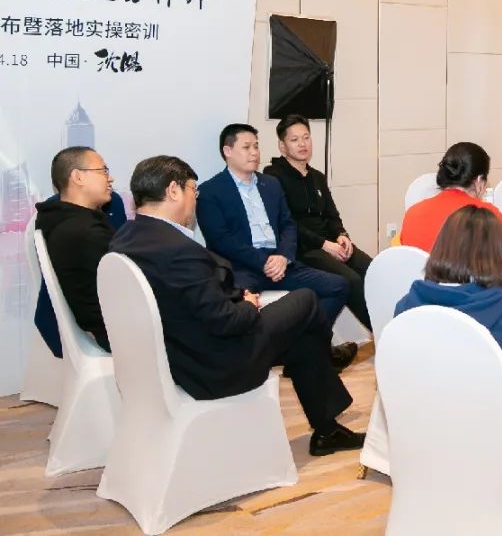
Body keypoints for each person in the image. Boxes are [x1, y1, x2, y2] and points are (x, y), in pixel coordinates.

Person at [110, 156, 364, 456]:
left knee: (303, 333)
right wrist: (248, 304)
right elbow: (226, 321)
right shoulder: (178, 250)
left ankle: (327, 429)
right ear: (174, 191)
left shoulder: (125, 238)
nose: (195, 198)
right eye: (193, 190)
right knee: (305, 301)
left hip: (178, 353)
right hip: (216, 363)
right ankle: (327, 388)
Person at [396, 205, 502, 434]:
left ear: (440, 248)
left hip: (424, 429)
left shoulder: (405, 307)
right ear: (498, 256)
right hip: (496, 438)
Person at [196, 123, 352, 342]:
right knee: (234, 308)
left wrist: (283, 257)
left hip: (281, 262)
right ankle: (270, 353)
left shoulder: (270, 184)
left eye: (256, 146)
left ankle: (304, 346)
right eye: (247, 147)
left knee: (339, 286)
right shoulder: (210, 191)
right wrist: (264, 262)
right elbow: (221, 240)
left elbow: (288, 224)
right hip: (242, 267)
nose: (254, 152)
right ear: (227, 151)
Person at [263, 114, 374, 330]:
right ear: (282, 146)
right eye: (294, 139)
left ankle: (397, 324)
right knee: (351, 280)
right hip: (304, 249)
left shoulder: (317, 177)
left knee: (373, 269)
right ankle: (383, 332)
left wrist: (342, 235)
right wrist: (324, 245)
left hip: (330, 243)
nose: (302, 144)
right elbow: (287, 223)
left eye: (306, 137)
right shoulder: (273, 177)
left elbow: (332, 215)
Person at [400, 142, 502, 284]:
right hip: (465, 296)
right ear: (479, 181)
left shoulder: (413, 212)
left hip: (422, 294)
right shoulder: (485, 215)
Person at [34, 147, 118, 352]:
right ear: (78, 177)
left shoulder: (61, 219)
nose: (110, 178)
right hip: (117, 333)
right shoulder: (84, 232)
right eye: (103, 171)